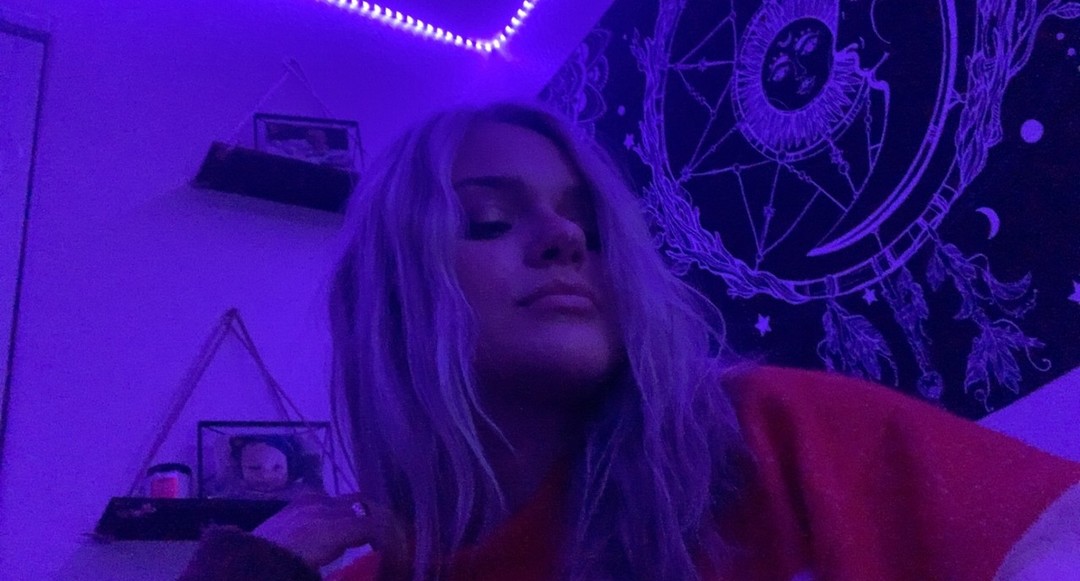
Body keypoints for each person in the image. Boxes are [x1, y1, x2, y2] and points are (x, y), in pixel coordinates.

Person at [179, 101, 1080, 580]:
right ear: (393, 299)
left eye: (587, 220)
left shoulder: (763, 435)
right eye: (488, 218)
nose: (564, 238)